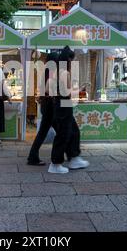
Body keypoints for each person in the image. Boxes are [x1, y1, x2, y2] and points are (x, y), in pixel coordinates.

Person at [49, 46, 89, 174]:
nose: (72, 63)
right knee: (64, 134)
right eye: (71, 60)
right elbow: (66, 92)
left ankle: (74, 158)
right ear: (67, 60)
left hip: (61, 105)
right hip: (64, 105)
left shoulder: (58, 71)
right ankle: (55, 164)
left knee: (73, 132)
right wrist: (80, 89)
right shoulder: (64, 72)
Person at [27, 52, 59, 166]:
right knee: (45, 133)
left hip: (47, 106)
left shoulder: (46, 72)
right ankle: (33, 157)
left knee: (60, 132)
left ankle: (69, 154)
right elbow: (48, 89)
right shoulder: (51, 72)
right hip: (50, 107)